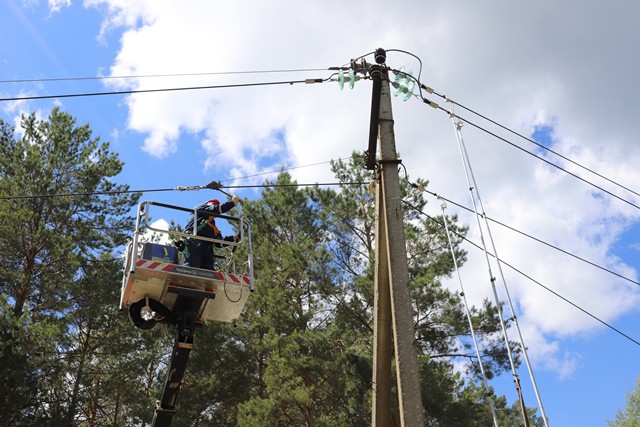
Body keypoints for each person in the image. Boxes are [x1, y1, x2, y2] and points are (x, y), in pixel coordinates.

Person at [183, 196, 240, 269]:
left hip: (207, 247)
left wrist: (234, 238)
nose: (214, 206)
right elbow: (216, 209)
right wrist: (232, 203)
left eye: (216, 205)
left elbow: (219, 243)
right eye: (213, 204)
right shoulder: (200, 208)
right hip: (194, 240)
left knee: (208, 270)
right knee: (191, 267)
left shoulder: (212, 224)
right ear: (207, 203)